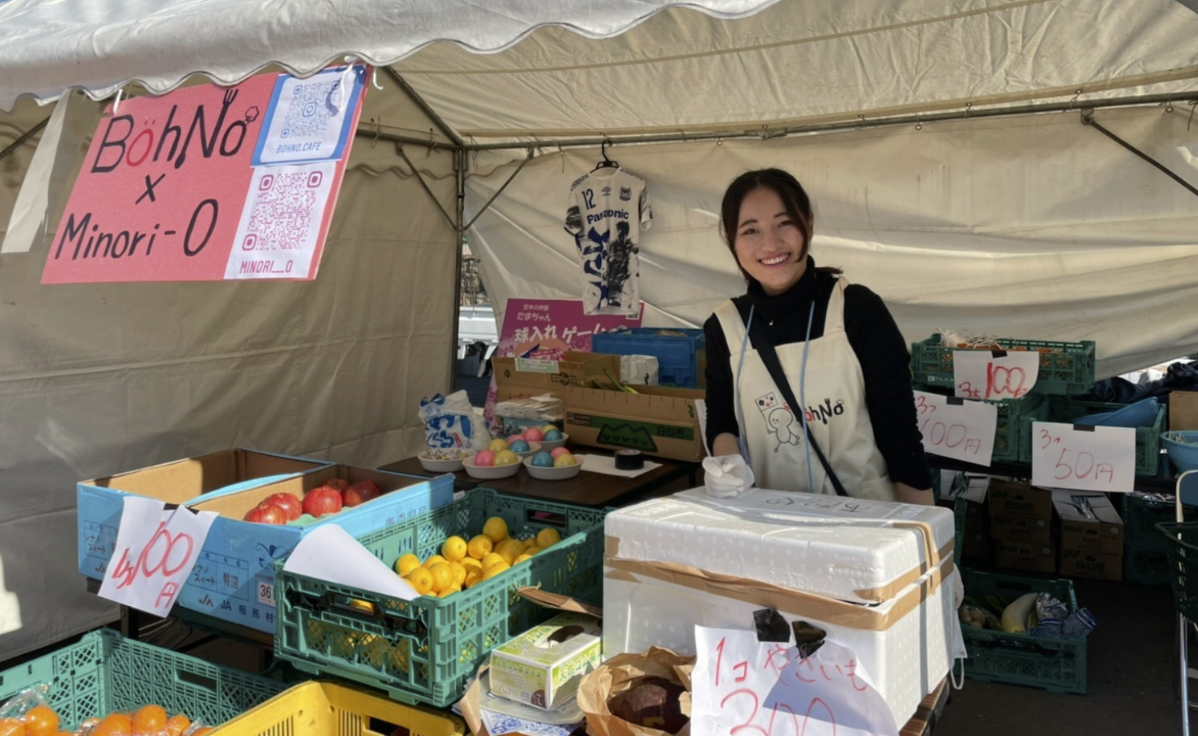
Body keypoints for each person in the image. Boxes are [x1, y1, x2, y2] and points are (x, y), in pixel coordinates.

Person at [704, 168, 933, 504]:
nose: (770, 244)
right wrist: (727, 468)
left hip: (863, 526)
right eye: (750, 230)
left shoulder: (856, 309)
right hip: (770, 527)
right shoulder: (724, 326)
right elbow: (722, 422)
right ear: (730, 240)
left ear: (807, 223)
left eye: (784, 223)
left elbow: (899, 434)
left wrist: (927, 536)